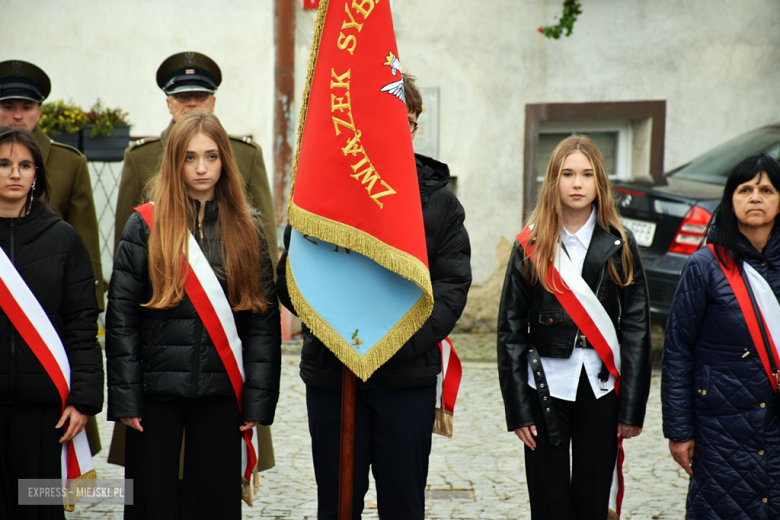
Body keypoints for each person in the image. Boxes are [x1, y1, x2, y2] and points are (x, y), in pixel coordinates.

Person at [276, 74, 472, 520]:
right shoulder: (322, 191)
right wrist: (339, 325)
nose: (400, 129)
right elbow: (289, 280)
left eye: (410, 121)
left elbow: (451, 289)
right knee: (339, 504)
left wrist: (391, 340)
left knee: (403, 504)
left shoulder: (439, 203)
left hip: (405, 377)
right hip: (333, 373)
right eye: (389, 118)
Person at [106, 109, 281, 520]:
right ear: (174, 162)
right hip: (155, 393)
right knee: (151, 503)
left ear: (225, 160)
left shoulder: (248, 228)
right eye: (189, 157)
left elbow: (261, 324)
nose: (201, 168)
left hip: (222, 393)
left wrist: (256, 403)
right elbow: (122, 319)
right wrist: (128, 396)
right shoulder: (144, 226)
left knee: (216, 504)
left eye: (211, 156)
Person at [497, 135, 651, 519]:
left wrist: (631, 407)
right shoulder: (531, 245)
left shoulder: (621, 244)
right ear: (554, 181)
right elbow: (510, 332)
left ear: (599, 182)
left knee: (591, 498)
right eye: (567, 174)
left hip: (600, 388)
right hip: (544, 385)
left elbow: (636, 330)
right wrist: (518, 410)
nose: (577, 183)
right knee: (548, 502)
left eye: (586, 174)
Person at [662, 153, 780, 519]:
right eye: (745, 189)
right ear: (730, 199)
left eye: (766, 189)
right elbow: (678, 349)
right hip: (721, 429)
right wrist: (679, 431)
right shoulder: (705, 266)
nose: (755, 197)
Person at [0, 127, 103, 519]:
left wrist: (83, 399)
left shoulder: (63, 240)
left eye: (25, 165)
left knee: (37, 510)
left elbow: (81, 325)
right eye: (4, 164)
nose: (15, 173)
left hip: (43, 413)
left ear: (37, 175)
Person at [0, 60, 104, 311]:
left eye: (26, 107)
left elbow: (84, 237)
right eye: (8, 106)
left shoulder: (70, 162)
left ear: (39, 111)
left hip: (46, 300)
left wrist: (93, 298)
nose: (17, 115)